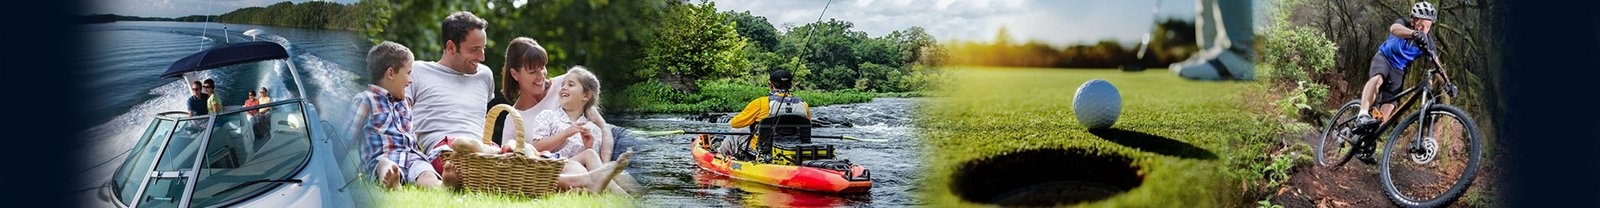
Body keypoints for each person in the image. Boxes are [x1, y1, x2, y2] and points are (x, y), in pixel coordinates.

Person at [1352, 2, 1456, 161]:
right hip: (1384, 59)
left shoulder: (1428, 42)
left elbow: (1436, 65)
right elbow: (1394, 29)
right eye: (1420, 25)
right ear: (1413, 20)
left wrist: (1447, 84)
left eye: (1427, 26)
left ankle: (1366, 144)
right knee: (1378, 78)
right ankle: (1363, 113)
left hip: (1399, 71)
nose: (1423, 29)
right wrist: (1413, 33)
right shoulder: (1403, 24)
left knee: (1388, 108)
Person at [403, 12, 501, 177]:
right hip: (445, 150)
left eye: (483, 48)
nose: (482, 57)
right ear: (450, 47)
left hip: (485, 149)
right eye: (474, 50)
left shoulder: (485, 75)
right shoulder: (418, 71)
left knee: (515, 152)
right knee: (464, 146)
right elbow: (399, 116)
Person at [497, 38, 616, 160]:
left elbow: (603, 127)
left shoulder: (565, 85)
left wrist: (605, 164)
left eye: (542, 67)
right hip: (556, 172)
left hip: (601, 151)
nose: (541, 76)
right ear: (515, 74)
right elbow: (506, 162)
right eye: (532, 72)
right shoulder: (513, 119)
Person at [518, 66, 631, 193]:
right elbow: (536, 147)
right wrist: (566, 133)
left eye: (571, 85)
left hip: (580, 172)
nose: (564, 87)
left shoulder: (593, 129)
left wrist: (588, 145)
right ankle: (621, 196)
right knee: (592, 157)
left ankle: (645, 195)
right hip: (554, 169)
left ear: (586, 96)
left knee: (622, 175)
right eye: (563, 84)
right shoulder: (548, 116)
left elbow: (593, 165)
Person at [354, 41, 444, 189]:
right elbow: (345, 139)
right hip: (383, 156)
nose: (411, 80)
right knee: (384, 165)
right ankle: (390, 180)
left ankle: (440, 186)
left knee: (426, 173)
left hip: (412, 157)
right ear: (390, 73)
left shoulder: (405, 102)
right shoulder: (365, 100)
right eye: (408, 73)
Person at [716, 69, 811, 158]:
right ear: (790, 86)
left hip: (764, 149)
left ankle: (719, 157)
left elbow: (735, 124)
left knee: (735, 132)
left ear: (771, 85)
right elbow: (807, 126)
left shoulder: (761, 103)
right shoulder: (804, 104)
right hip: (795, 149)